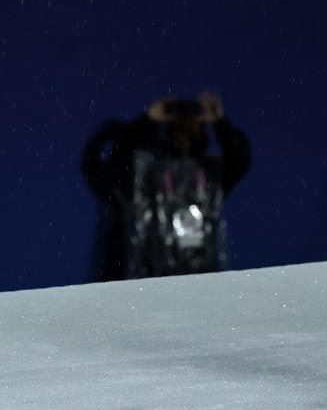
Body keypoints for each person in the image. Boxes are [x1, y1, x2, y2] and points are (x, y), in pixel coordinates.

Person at [82, 91, 252, 280]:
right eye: (177, 120)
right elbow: (105, 163)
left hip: (202, 283)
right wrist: (147, 120)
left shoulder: (210, 174)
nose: (185, 125)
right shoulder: (145, 174)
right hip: (149, 283)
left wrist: (220, 123)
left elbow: (240, 159)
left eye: (193, 120)